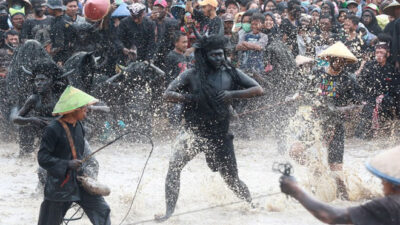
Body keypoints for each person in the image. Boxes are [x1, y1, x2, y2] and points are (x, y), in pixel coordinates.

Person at [155, 34, 264, 222]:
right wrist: (190, 98)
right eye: (214, 55)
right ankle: (169, 212)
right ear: (204, 56)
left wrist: (233, 94)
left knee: (231, 179)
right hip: (193, 133)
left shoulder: (231, 72)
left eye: (221, 54)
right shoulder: (191, 74)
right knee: (174, 168)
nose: (219, 58)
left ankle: (252, 206)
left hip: (220, 135)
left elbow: (258, 89)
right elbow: (167, 94)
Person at [290, 42, 361, 200]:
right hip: (315, 122)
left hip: (335, 125)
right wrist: (296, 97)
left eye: (343, 60)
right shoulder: (317, 74)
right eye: (337, 59)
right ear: (329, 58)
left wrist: (340, 110)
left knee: (337, 173)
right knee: (295, 151)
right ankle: (317, 168)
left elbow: (358, 105)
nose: (340, 63)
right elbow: (302, 91)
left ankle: (346, 202)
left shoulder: (349, 79)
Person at [37, 85, 111, 225]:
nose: (87, 110)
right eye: (84, 107)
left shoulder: (79, 127)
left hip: (79, 180)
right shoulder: (52, 130)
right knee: (50, 221)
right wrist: (66, 164)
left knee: (102, 210)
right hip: (59, 186)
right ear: (74, 110)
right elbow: (42, 159)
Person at [280, 145, 400, 225]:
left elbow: (331, 215)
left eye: (383, 180)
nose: (381, 183)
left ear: (392, 182)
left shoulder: (388, 205)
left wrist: (295, 190)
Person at [11, 60, 61, 156]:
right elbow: (15, 119)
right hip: (42, 130)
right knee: (26, 126)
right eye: (37, 81)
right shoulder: (34, 98)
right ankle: (26, 154)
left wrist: (52, 122)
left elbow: (70, 118)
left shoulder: (60, 97)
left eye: (42, 80)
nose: (38, 83)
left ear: (51, 81)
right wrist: (32, 120)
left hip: (59, 132)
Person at [356, 41, 397, 139]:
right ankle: (363, 136)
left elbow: (395, 87)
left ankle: (386, 133)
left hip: (385, 97)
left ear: (387, 54)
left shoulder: (391, 68)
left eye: (381, 52)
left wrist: (385, 96)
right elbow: (361, 83)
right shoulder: (369, 66)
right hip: (370, 97)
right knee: (368, 110)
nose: (379, 55)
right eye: (377, 52)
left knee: (388, 103)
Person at [46, 0, 72, 64]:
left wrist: (49, 51)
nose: (47, 8)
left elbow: (59, 46)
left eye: (48, 7)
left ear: (54, 9)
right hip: (69, 54)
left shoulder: (58, 24)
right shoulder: (67, 18)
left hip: (60, 58)